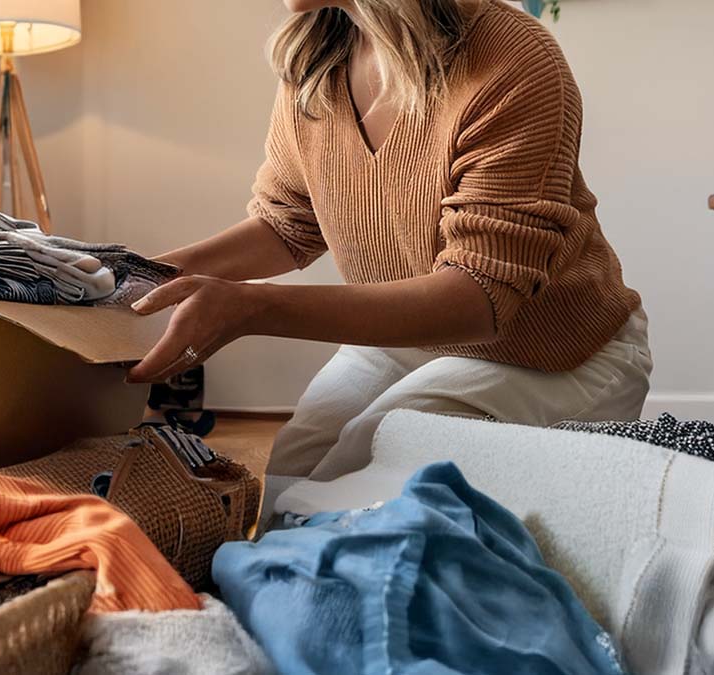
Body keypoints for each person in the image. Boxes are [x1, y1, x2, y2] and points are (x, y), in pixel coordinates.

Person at [127, 0, 651, 508]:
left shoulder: (513, 58)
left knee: (367, 456)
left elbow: (479, 297)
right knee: (295, 469)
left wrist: (251, 309)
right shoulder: (316, 60)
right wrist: (135, 274)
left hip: (553, 354)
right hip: (406, 338)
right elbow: (286, 224)